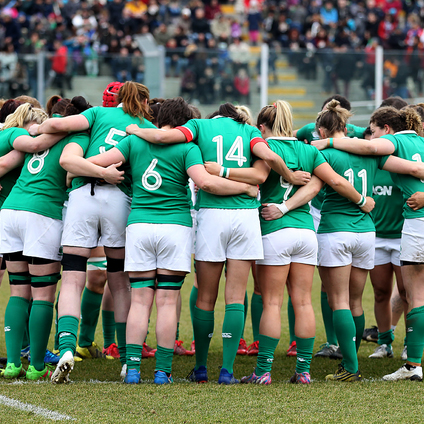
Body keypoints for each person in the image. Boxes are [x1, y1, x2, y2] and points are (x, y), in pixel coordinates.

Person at [125, 102, 311, 384]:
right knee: (235, 297)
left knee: (205, 297)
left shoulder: (200, 126)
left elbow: (164, 138)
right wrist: (289, 175)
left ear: (216, 116)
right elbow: (266, 162)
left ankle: (201, 369)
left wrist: (135, 129)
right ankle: (227, 371)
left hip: (212, 215)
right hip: (245, 216)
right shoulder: (249, 130)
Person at [205, 100, 373, 384]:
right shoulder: (308, 149)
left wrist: (221, 170)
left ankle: (263, 371)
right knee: (304, 302)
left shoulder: (261, 147)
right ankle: (304, 371)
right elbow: (330, 181)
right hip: (306, 232)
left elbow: (255, 175)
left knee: (271, 302)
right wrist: (361, 199)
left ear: (263, 126)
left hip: (274, 229)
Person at [29, 81, 155, 384]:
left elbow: (59, 124)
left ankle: (67, 348)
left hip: (83, 197)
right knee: (120, 282)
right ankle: (127, 359)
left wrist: (35, 131)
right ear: (144, 101)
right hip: (119, 199)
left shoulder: (98, 114)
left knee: (72, 279)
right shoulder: (145, 125)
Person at [1, 100, 118, 380]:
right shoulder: (76, 136)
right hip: (43, 213)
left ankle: (14, 363)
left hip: (11, 210)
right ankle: (37, 366)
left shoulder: (30, 135)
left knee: (18, 290)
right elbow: (69, 176)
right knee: (43, 294)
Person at [311, 103, 424, 382]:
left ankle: (351, 365)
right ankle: (371, 353)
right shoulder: (378, 155)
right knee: (358, 301)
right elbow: (408, 166)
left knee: (339, 300)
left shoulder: (326, 150)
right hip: (366, 233)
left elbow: (317, 186)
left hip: (337, 230)